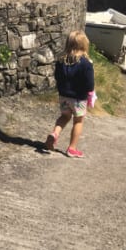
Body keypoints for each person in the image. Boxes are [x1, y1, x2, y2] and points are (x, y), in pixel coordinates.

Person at [44, 30, 95, 158]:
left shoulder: (61, 61)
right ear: (84, 45)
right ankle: (72, 148)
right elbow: (90, 85)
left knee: (64, 117)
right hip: (78, 99)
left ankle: (55, 134)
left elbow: (57, 77)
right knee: (78, 121)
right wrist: (89, 93)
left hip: (63, 97)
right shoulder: (86, 64)